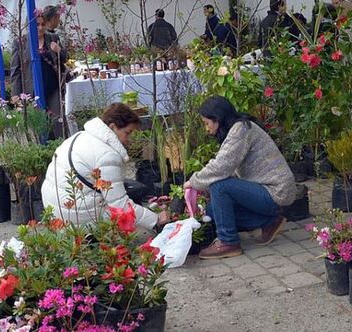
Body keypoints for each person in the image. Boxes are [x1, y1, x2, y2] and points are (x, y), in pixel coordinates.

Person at [184, 96, 296, 259]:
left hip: (275, 192)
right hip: (266, 190)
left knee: (219, 186)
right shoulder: (237, 129)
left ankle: (228, 242)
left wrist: (193, 182)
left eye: (206, 123)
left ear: (217, 119)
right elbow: (228, 169)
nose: (206, 129)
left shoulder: (241, 130)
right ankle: (269, 222)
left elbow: (221, 166)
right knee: (211, 211)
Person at [41, 103, 170, 231]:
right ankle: (96, 240)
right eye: (128, 133)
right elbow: (119, 204)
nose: (129, 139)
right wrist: (155, 219)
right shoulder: (107, 155)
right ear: (112, 127)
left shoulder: (80, 136)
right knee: (125, 214)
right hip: (77, 218)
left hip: (55, 210)